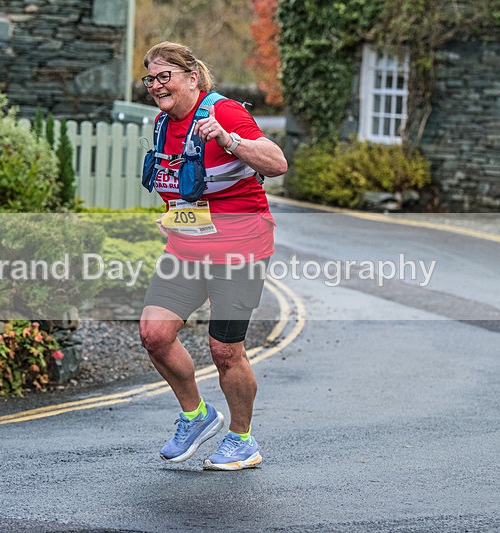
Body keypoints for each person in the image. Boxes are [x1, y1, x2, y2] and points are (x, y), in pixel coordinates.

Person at [138, 41, 287, 470]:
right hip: (187, 247)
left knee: (225, 350)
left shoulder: (222, 113)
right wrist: (171, 217)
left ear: (192, 78)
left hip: (240, 248)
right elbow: (182, 183)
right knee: (154, 333)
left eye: (165, 75)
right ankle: (197, 416)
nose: (156, 85)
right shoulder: (162, 123)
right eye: (150, 77)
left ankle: (242, 440)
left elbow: (276, 163)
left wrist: (229, 139)